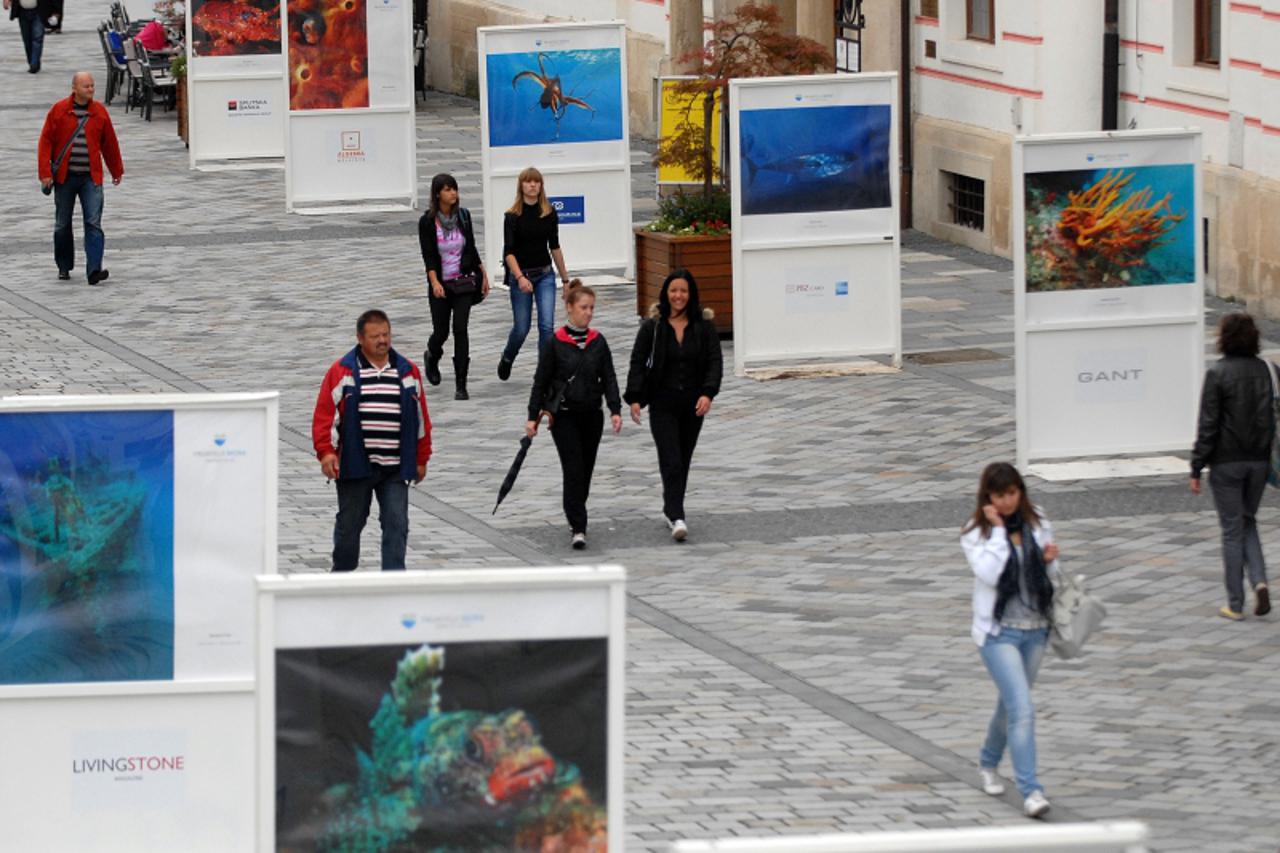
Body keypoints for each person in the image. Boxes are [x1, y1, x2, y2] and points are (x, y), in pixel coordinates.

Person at [961, 462, 1059, 819]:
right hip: (998, 632)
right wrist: (1000, 532)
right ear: (988, 497)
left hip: (1036, 627)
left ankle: (988, 761)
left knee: (1010, 705)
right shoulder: (977, 532)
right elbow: (988, 574)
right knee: (1023, 709)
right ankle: (1031, 791)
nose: (1007, 501)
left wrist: (1050, 561)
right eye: (1000, 495)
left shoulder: (1037, 520)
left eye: (1013, 493)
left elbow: (1048, 577)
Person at [312, 310, 432, 572]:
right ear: (360, 338)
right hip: (355, 466)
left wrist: (422, 458)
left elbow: (421, 418)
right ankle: (342, 575)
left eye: (386, 334)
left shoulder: (407, 371)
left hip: (396, 467)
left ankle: (392, 582)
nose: (383, 340)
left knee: (397, 524)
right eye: (375, 336)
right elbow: (325, 416)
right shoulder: (342, 371)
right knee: (349, 526)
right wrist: (326, 453)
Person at [624, 269, 723, 541]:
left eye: (683, 291)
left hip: (693, 404)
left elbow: (715, 361)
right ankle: (676, 514)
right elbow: (637, 360)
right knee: (671, 460)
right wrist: (634, 397)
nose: (678, 296)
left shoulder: (703, 326)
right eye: (673, 291)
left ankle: (671, 507)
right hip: (662, 402)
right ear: (666, 293)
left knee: (684, 458)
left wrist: (708, 393)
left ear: (691, 295)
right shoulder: (652, 327)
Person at [526, 281, 622, 549]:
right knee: (573, 468)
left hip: (592, 414)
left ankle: (574, 510)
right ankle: (579, 526)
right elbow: (540, 381)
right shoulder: (555, 343)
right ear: (569, 308)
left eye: (591, 308)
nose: (588, 313)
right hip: (564, 416)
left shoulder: (598, 342)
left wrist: (615, 409)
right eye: (583, 308)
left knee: (586, 470)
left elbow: (610, 377)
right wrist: (532, 416)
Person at [1190, 312, 1274, 620]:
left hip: (1226, 463)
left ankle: (1235, 603)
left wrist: (1196, 467)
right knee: (1248, 520)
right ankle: (1260, 581)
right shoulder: (1270, 370)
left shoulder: (1218, 373)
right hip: (1260, 461)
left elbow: (1208, 425)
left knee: (1231, 530)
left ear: (1224, 338)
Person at [38, 72, 124, 286]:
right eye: (86, 86)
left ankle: (94, 269)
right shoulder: (59, 111)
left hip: (90, 177)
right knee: (62, 224)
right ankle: (64, 265)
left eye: (92, 86)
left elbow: (109, 143)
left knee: (93, 222)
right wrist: (45, 174)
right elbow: (45, 142)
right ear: (74, 88)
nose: (91, 90)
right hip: (65, 178)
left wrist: (116, 170)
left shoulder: (99, 112)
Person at [418, 173, 489, 401]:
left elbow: (472, 247)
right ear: (437, 193)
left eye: (455, 189)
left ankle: (461, 384)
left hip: (463, 283)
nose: (453, 194)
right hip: (440, 283)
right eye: (448, 189)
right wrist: (435, 282)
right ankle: (432, 355)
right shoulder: (428, 222)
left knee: (461, 328)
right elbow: (428, 256)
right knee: (441, 331)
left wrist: (483, 273)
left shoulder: (463, 217)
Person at [498, 167, 570, 381]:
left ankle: (544, 372)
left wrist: (565, 279)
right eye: (528, 182)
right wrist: (519, 277)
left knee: (546, 326)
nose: (533, 186)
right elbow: (508, 252)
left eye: (537, 182)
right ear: (521, 186)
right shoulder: (512, 216)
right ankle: (508, 357)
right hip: (521, 276)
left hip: (545, 275)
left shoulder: (548, 212)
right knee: (522, 327)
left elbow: (555, 247)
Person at [4, 0, 54, 72]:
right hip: (22, 11)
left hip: (39, 11)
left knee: (37, 37)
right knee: (27, 39)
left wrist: (56, 11)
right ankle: (32, 61)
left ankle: (34, 63)